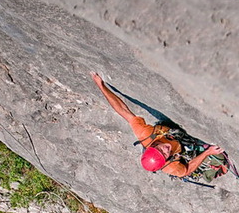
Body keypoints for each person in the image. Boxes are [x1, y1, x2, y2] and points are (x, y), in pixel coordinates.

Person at [91, 73, 227, 180]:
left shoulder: (145, 134)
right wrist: (207, 152)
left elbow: (123, 111)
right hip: (184, 148)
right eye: (165, 155)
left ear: (152, 146)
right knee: (217, 157)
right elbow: (186, 170)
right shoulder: (171, 167)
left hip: (167, 128)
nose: (166, 150)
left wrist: (101, 86)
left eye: (160, 149)